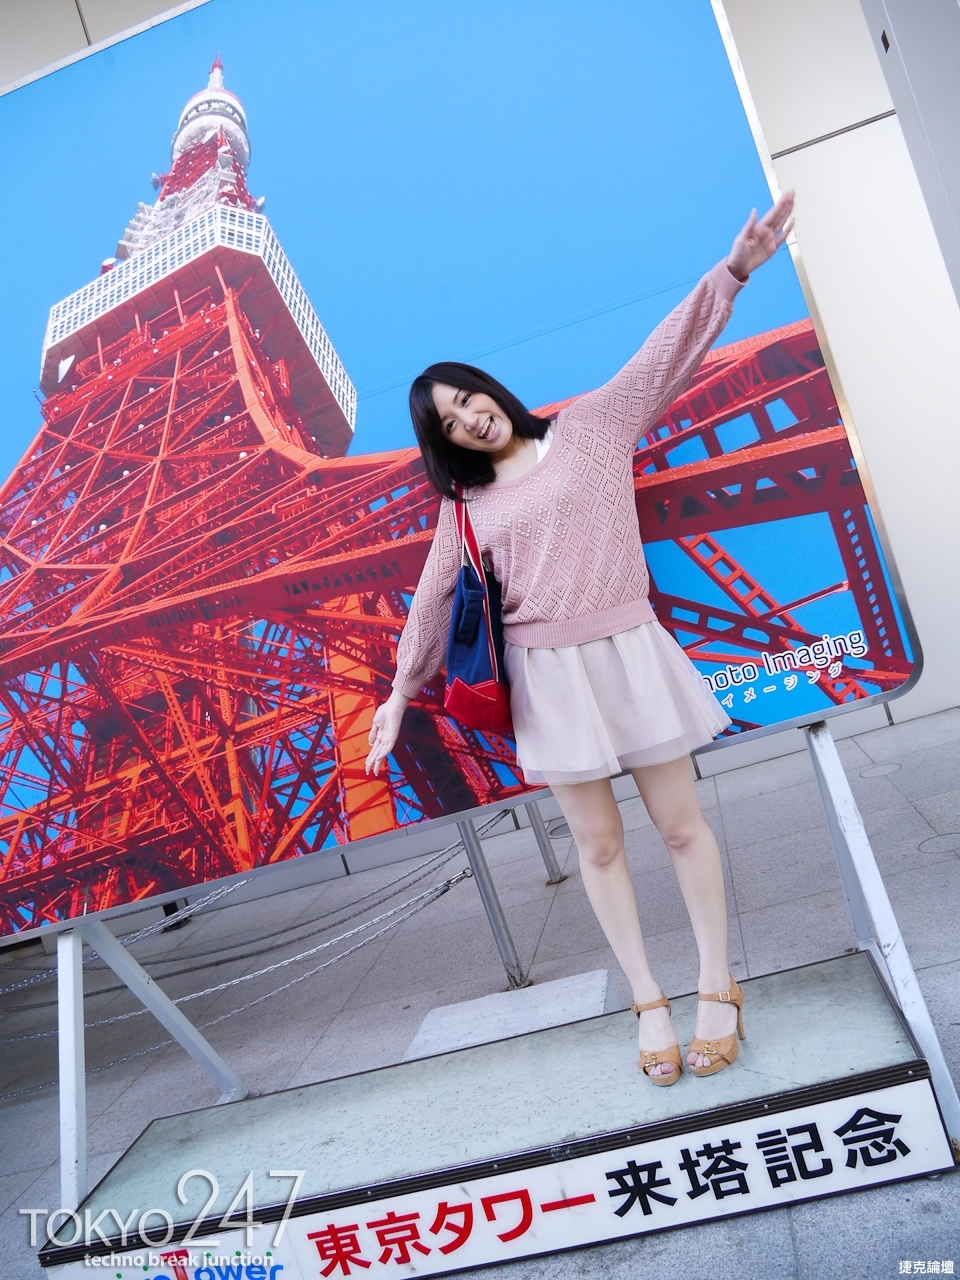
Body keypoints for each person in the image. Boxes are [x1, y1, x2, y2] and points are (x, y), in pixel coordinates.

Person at [365, 194, 795, 1085]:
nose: (469, 419)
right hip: (546, 677)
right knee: (597, 846)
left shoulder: (592, 429)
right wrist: (401, 692)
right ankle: (647, 1000)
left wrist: (734, 272)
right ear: (445, 443)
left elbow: (663, 355)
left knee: (681, 828)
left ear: (491, 391)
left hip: (628, 650)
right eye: (448, 422)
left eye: (469, 398)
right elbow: (434, 596)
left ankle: (716, 984)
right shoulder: (464, 506)